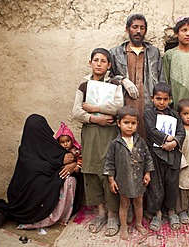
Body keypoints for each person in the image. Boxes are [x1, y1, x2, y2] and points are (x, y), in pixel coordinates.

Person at [72, 47, 124, 237]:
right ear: (90, 62)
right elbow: (77, 112)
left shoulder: (114, 83)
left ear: (109, 65)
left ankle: (112, 215)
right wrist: (96, 118)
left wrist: (96, 108)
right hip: (91, 133)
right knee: (91, 171)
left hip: (109, 134)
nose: (99, 64)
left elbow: (118, 106)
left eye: (103, 61)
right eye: (96, 60)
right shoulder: (84, 86)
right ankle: (101, 213)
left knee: (107, 171)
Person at [7, 114, 84, 231]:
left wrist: (73, 164)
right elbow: (35, 169)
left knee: (70, 179)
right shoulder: (25, 150)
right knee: (46, 182)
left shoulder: (50, 145)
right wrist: (59, 162)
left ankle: (60, 215)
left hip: (43, 185)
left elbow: (71, 159)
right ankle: (44, 217)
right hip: (24, 194)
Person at [110, 13, 165, 140]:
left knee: (148, 140)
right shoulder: (115, 53)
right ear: (127, 28)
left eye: (142, 28)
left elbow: (161, 78)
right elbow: (109, 77)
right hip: (125, 105)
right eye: (135, 27)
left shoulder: (153, 52)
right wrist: (122, 80)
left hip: (149, 106)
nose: (138, 31)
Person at [103, 105, 154, 240]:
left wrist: (148, 173)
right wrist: (111, 180)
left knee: (139, 203)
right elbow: (109, 162)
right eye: (126, 123)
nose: (129, 126)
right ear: (119, 123)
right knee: (124, 204)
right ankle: (124, 227)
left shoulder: (140, 141)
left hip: (138, 180)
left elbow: (148, 157)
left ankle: (138, 224)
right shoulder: (115, 144)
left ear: (137, 124)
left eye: (133, 123)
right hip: (123, 181)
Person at [143, 82, 186, 231]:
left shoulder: (175, 115)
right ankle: (157, 213)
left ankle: (171, 211)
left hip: (172, 155)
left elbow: (181, 131)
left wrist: (174, 143)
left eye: (165, 99)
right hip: (155, 155)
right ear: (152, 98)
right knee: (156, 185)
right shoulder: (148, 114)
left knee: (172, 184)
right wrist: (167, 138)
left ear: (170, 100)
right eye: (158, 99)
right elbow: (152, 131)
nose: (162, 102)